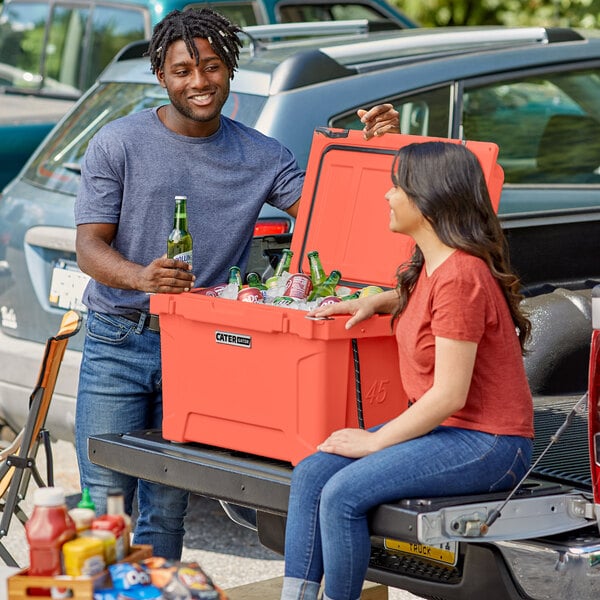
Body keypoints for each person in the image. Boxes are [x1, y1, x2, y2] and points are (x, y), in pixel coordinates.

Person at [73, 7, 399, 559]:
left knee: (169, 502)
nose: (199, 82)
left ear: (230, 72)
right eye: (183, 70)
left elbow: (338, 213)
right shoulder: (118, 142)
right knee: (103, 498)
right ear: (161, 74)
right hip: (117, 340)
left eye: (212, 67)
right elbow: (89, 247)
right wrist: (141, 277)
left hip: (198, 349)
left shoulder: (263, 154)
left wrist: (379, 150)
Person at [280, 141, 534, 600]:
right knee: (313, 472)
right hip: (452, 432)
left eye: (397, 186)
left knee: (341, 496)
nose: (388, 196)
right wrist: (374, 299)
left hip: (489, 442)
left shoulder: (461, 276)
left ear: (429, 197)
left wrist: (375, 441)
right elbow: (426, 302)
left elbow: (450, 395)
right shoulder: (437, 268)